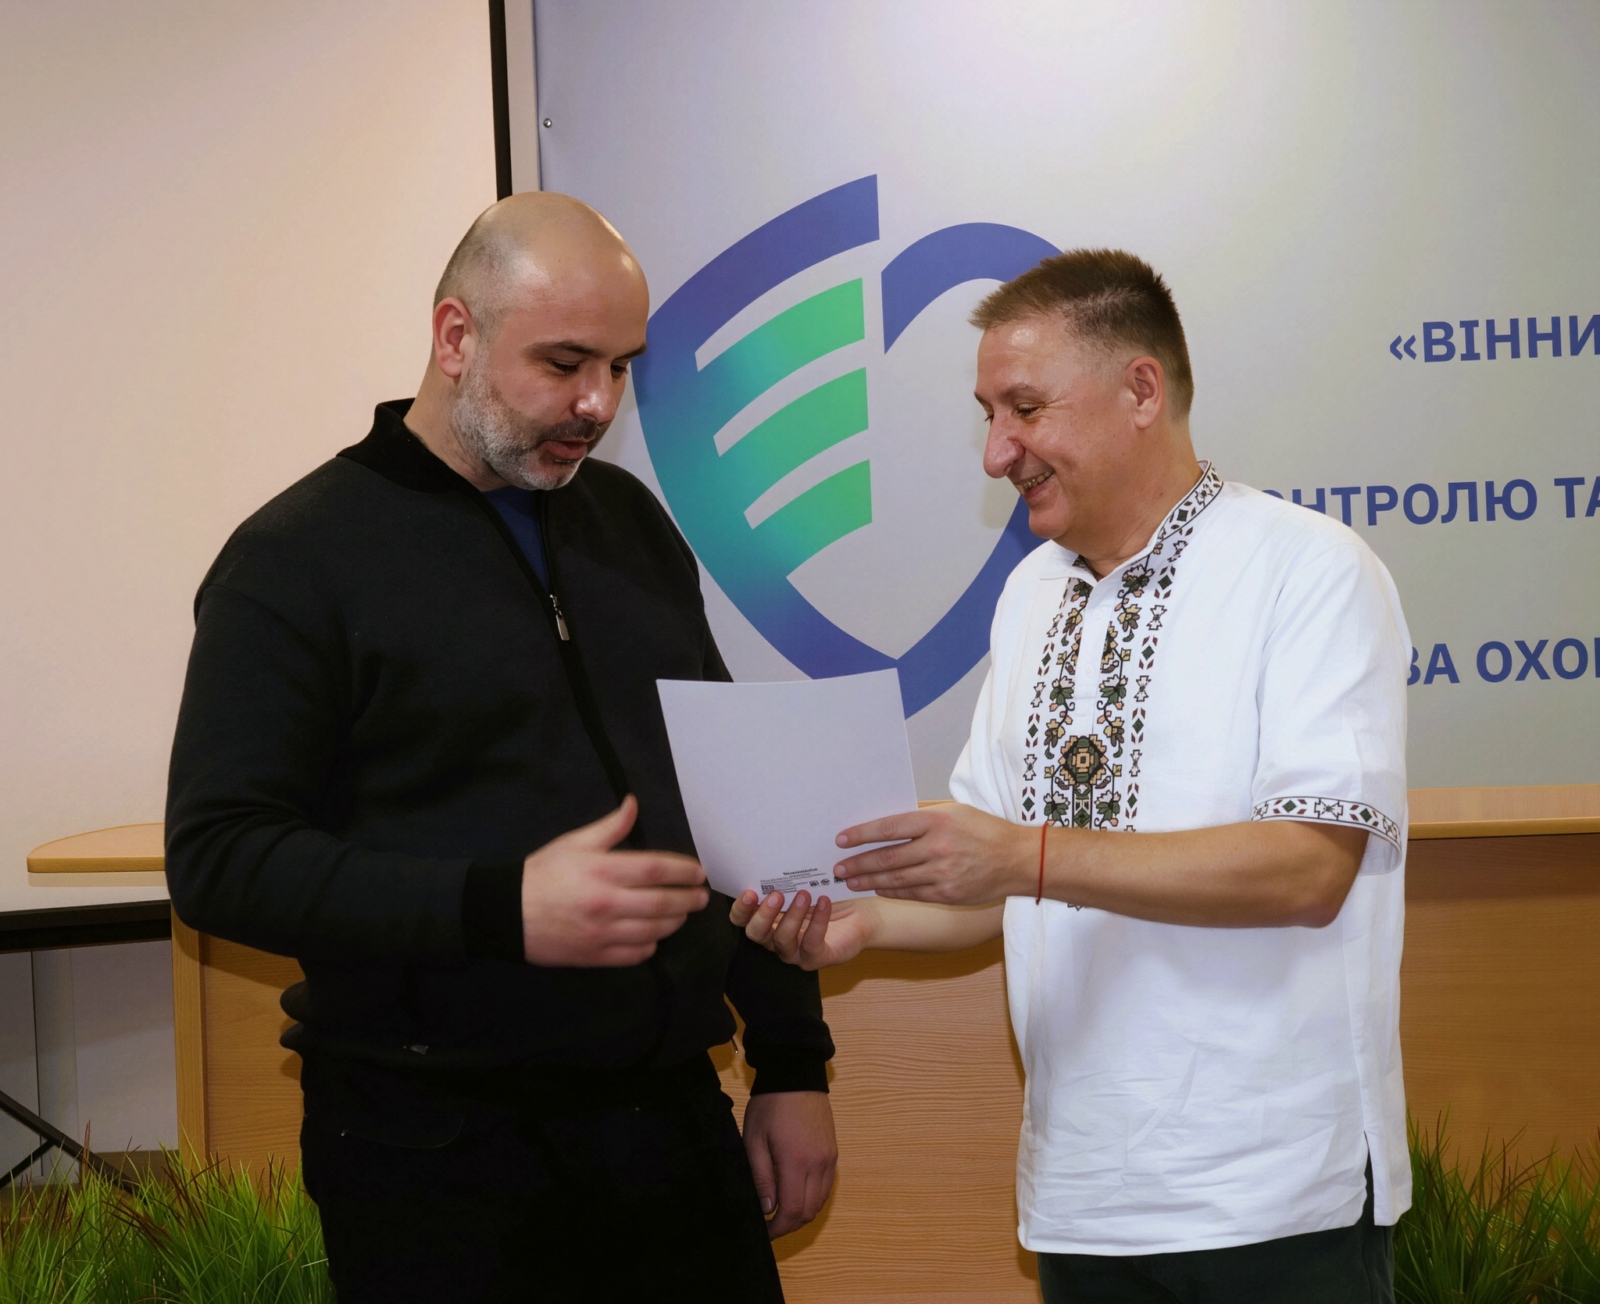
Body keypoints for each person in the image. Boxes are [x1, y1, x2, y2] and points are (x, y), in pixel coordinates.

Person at [166, 192, 837, 1304]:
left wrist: (792, 1061)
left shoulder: (629, 524)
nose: (597, 403)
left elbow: (729, 798)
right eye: (564, 363)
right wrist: (500, 906)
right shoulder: (295, 559)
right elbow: (220, 858)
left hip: (670, 1122)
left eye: (619, 368)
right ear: (454, 337)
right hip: (431, 1150)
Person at [734, 250, 1409, 1303]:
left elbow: (1308, 869)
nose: (996, 452)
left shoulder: (1307, 568)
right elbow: (991, 880)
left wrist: (1025, 855)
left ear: (1141, 390)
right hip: (1081, 1197)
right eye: (987, 415)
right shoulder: (1029, 597)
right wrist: (862, 926)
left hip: (1274, 1193)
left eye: (1025, 408)